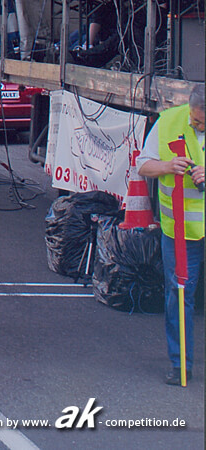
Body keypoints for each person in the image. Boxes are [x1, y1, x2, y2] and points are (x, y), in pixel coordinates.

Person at [137, 84, 205, 386]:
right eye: (194, 118)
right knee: (179, 295)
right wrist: (167, 165)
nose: (196, 125)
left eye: (202, 122)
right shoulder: (169, 121)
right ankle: (180, 366)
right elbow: (142, 165)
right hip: (180, 229)